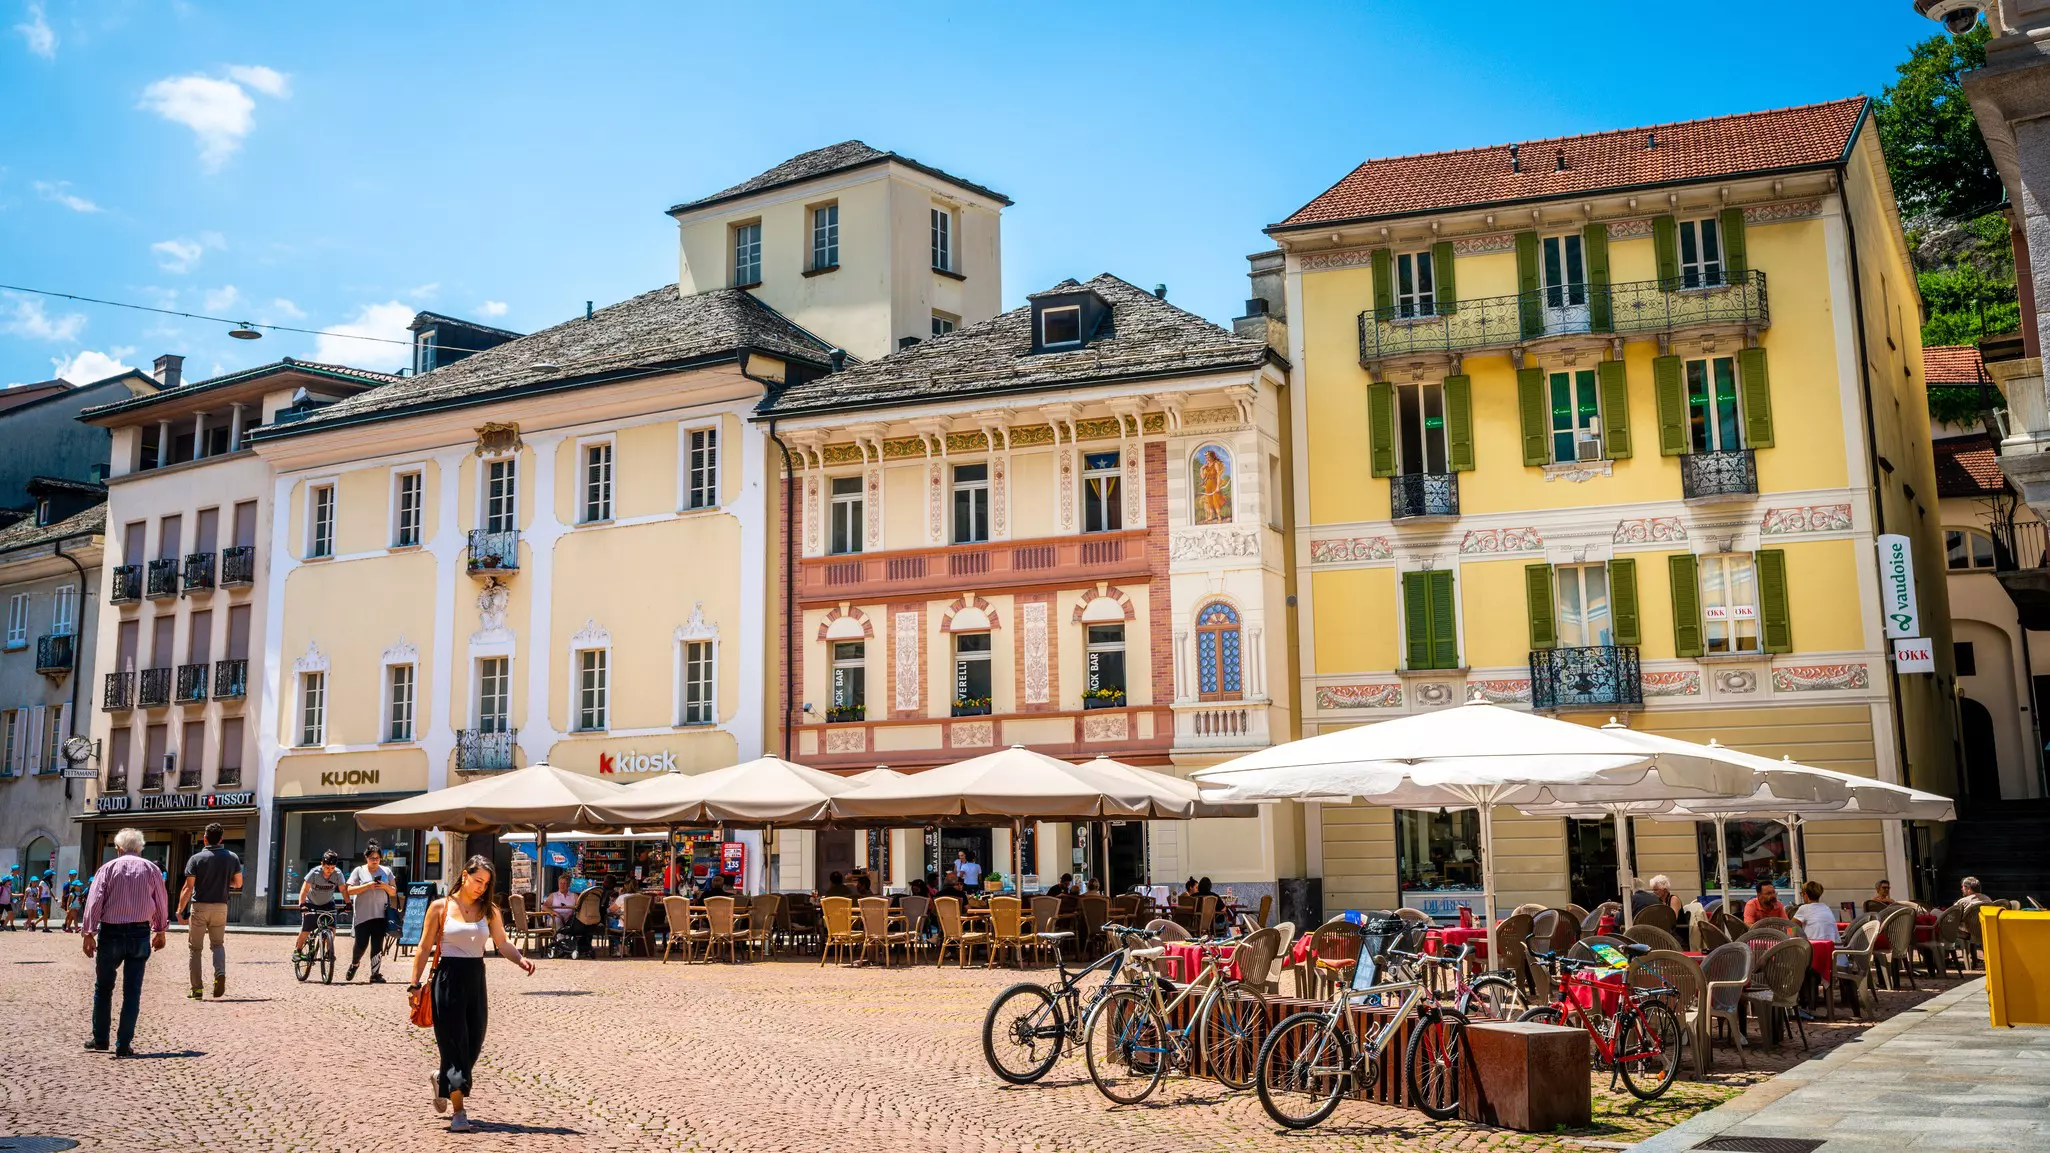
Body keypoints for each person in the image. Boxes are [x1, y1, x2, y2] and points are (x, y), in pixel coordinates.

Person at [410, 856, 533, 1133]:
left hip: (476, 979)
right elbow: (423, 946)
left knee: (473, 1043)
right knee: (454, 1045)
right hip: (448, 979)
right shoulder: (440, 907)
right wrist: (414, 983)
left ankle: (442, 1078)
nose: (481, 887)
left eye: (486, 883)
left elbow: (501, 942)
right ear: (465, 875)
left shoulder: (489, 910)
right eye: (478, 881)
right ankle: (459, 1111)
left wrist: (520, 960)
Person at [82, 828, 169, 1056]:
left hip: (111, 933)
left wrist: (88, 933)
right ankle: (123, 1044)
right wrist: (160, 931)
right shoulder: (152, 870)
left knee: (103, 987)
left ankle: (101, 1039)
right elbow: (160, 901)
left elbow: (95, 900)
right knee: (132, 991)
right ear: (140, 849)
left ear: (118, 849)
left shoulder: (107, 869)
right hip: (140, 934)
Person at [176, 822, 243, 999]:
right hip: (221, 907)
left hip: (199, 907)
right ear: (221, 839)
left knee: (195, 948)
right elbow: (238, 883)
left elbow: (187, 888)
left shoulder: (196, 859)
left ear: (205, 838)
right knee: (218, 944)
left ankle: (197, 989)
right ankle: (219, 973)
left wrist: (179, 910)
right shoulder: (232, 857)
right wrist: (223, 882)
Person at [344, 841, 398, 983]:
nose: (374, 861)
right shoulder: (359, 871)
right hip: (362, 915)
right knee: (361, 944)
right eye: (372, 858)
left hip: (380, 914)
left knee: (377, 945)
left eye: (377, 858)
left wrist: (384, 886)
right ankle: (355, 963)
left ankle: (375, 974)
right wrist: (367, 886)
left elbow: (393, 892)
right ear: (366, 858)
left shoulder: (386, 871)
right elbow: (349, 890)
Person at [293, 850, 348, 960]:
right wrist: (302, 905)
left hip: (328, 903)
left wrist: (348, 903)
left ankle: (329, 951)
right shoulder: (314, 873)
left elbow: (343, 889)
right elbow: (304, 890)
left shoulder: (337, 874)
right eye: (327, 868)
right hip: (311, 903)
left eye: (332, 868)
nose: (329, 871)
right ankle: (297, 951)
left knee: (332, 927)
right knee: (306, 929)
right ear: (322, 864)